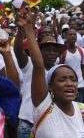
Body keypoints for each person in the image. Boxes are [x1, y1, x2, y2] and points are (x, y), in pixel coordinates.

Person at [18, 8, 84, 138]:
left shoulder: (81, 110)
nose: (69, 83)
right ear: (50, 86)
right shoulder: (44, 108)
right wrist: (28, 27)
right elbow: (38, 66)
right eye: (62, 80)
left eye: (73, 79)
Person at [60, 28, 84, 102]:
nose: (73, 36)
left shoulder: (82, 51)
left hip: (80, 85)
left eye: (74, 34)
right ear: (66, 36)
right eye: (70, 34)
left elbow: (83, 67)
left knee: (80, 107)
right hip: (66, 86)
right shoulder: (62, 52)